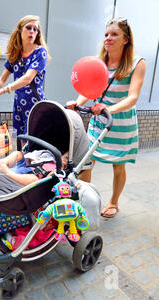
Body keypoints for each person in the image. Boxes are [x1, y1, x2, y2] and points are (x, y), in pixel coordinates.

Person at [66, 18, 146, 218]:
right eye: (106, 35)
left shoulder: (137, 63)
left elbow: (133, 98)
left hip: (121, 123)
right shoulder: (99, 62)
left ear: (126, 39)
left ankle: (114, 202)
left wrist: (108, 108)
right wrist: (77, 102)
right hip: (98, 120)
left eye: (114, 34)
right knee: (86, 161)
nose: (108, 38)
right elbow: (89, 88)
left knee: (118, 166)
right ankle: (87, 201)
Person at [0, 15, 51, 136]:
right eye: (29, 28)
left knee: (31, 141)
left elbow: (28, 79)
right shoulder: (16, 54)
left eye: (35, 29)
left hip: (35, 105)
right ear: (20, 30)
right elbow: (2, 79)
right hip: (18, 105)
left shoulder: (40, 52)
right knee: (19, 139)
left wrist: (4, 90)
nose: (32, 31)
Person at [0, 149, 69, 186]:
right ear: (61, 155)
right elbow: (30, 156)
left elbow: (48, 179)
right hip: (26, 166)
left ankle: (7, 172)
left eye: (68, 162)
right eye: (66, 158)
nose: (65, 162)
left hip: (32, 176)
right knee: (18, 154)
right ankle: (4, 162)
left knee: (34, 180)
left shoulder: (58, 170)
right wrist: (28, 159)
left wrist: (59, 170)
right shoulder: (49, 155)